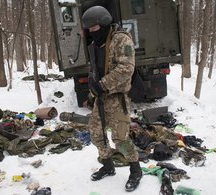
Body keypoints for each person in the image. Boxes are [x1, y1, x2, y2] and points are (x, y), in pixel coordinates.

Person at [81, 5, 142, 192]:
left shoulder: (121, 39)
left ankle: (135, 170)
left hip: (117, 97)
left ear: (105, 23)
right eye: (89, 30)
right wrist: (93, 89)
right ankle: (108, 166)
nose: (92, 33)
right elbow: (96, 69)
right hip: (100, 98)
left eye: (94, 29)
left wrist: (102, 84)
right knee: (96, 134)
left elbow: (126, 69)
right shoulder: (96, 43)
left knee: (121, 139)